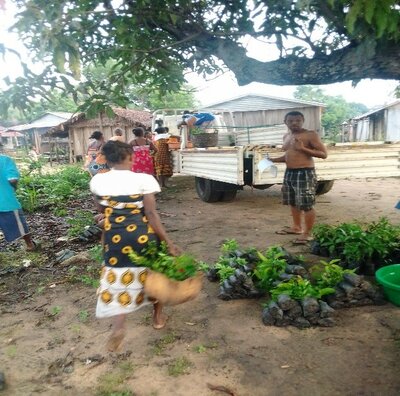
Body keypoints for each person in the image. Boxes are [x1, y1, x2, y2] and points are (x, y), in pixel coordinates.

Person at [90, 140, 180, 351]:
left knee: (118, 277)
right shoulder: (144, 179)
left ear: (108, 159)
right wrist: (169, 242)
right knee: (154, 275)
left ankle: (119, 325)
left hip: (114, 237)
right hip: (142, 235)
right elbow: (150, 213)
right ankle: (157, 317)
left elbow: (101, 210)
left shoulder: (98, 181)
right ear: (130, 157)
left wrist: (104, 218)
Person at [271, 111, 328, 244]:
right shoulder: (286, 136)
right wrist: (273, 160)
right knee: (293, 202)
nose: (294, 123)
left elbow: (323, 154)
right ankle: (296, 228)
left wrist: (303, 148)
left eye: (298, 120)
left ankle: (307, 233)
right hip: (290, 172)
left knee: (306, 204)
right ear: (286, 122)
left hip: (305, 173)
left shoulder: (310, 135)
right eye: (291, 121)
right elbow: (288, 155)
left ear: (303, 121)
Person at [0, 143, 39, 251]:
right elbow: (13, 179)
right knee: (20, 226)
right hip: (5, 202)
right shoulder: (5, 160)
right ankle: (30, 245)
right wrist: (14, 187)